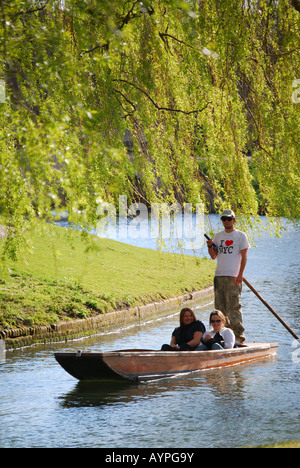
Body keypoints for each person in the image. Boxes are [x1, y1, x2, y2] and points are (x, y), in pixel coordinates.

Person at [206, 209, 250, 344]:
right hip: (219, 275)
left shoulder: (240, 236)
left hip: (233, 276)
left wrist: (240, 275)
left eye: (229, 219)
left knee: (233, 307)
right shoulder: (218, 236)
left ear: (234, 220)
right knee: (220, 308)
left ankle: (238, 336)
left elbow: (244, 257)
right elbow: (214, 256)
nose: (226, 221)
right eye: (224, 219)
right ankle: (222, 336)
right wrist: (209, 246)